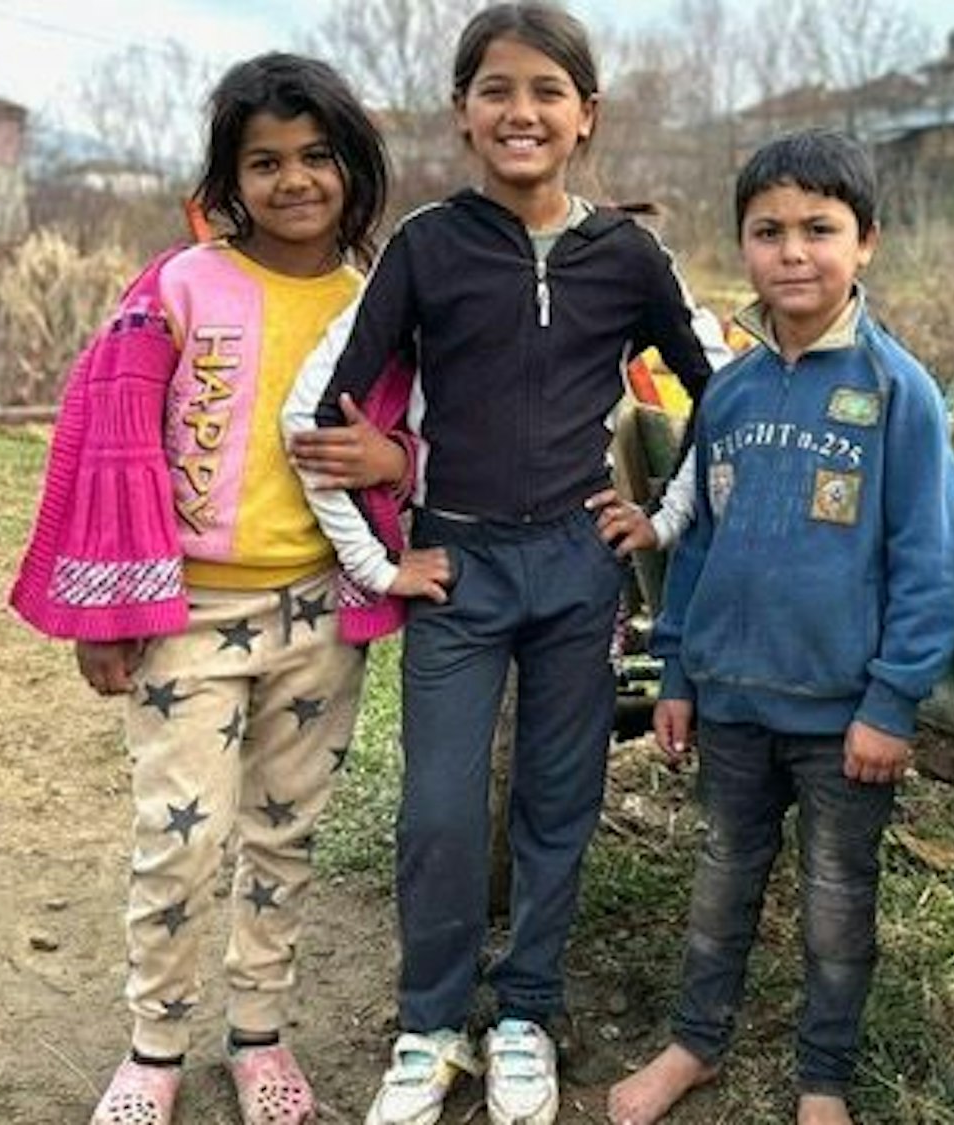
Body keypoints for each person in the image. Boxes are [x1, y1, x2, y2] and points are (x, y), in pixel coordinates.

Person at [281, 5, 724, 1124]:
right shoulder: (430, 247)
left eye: (546, 93)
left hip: (576, 570)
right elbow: (315, 413)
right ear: (463, 113)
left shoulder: (628, 257)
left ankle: (525, 1011)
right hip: (458, 566)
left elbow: (723, 403)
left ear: (586, 117)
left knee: (558, 797)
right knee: (436, 809)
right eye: (496, 90)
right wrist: (382, 561)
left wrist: (658, 517)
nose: (520, 111)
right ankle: (430, 1028)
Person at [8, 53, 442, 1125]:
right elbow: (109, 443)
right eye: (264, 162)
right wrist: (104, 612)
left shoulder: (376, 304)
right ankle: (154, 1047)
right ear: (228, 180)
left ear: (353, 168)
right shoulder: (177, 287)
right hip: (186, 618)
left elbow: (436, 433)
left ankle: (258, 1037)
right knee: (179, 838)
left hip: (317, 617)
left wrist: (402, 468)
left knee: (282, 834)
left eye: (315, 157)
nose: (293, 181)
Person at [606, 129, 954, 1125]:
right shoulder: (728, 391)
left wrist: (891, 702)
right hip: (729, 701)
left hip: (841, 717)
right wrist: (673, 670)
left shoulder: (897, 395)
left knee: (835, 903)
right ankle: (694, 1042)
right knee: (722, 879)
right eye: (768, 231)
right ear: (742, 246)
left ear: (867, 244)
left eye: (820, 229)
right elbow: (701, 544)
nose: (793, 252)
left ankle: (823, 1080)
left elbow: (927, 562)